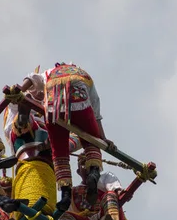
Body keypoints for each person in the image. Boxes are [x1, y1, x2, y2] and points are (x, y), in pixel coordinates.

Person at [19, 62, 113, 211]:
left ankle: (65, 194)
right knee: (91, 141)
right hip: (79, 101)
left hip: (53, 107)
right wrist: (102, 137)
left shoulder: (50, 72)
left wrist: (20, 89)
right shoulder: (83, 74)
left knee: (59, 153)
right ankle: (94, 172)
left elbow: (32, 78)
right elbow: (96, 114)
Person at [49, 155, 127, 220]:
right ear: (78, 171)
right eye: (83, 164)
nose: (87, 166)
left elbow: (117, 191)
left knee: (110, 195)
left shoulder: (106, 177)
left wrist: (122, 193)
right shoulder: (73, 193)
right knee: (66, 216)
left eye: (90, 163)